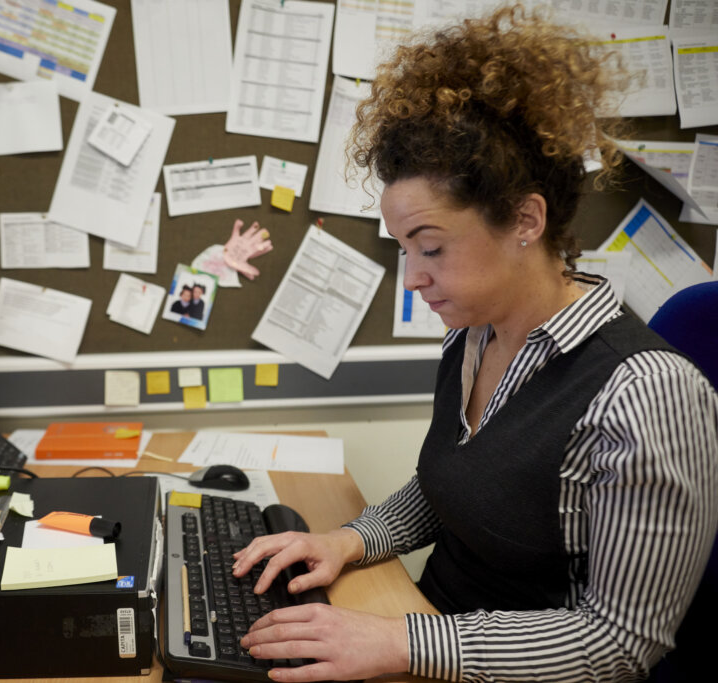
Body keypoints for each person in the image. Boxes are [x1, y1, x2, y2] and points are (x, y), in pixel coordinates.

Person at [232, 6, 718, 682]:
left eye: (430, 247)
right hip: (424, 629)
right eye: (406, 249)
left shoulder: (646, 394)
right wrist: (347, 539)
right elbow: (451, 487)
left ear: (526, 218)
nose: (414, 277)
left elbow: (618, 643)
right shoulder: (474, 333)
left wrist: (402, 642)